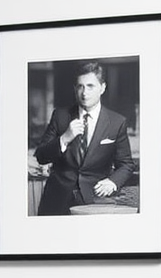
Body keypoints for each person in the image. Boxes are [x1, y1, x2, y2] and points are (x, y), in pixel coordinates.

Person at [34, 61, 135, 215]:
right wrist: (64, 139)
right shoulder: (60, 116)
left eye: (90, 86)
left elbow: (126, 164)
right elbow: (41, 156)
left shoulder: (117, 122)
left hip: (95, 201)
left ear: (102, 88)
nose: (84, 92)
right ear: (75, 88)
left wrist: (113, 181)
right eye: (80, 86)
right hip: (57, 201)